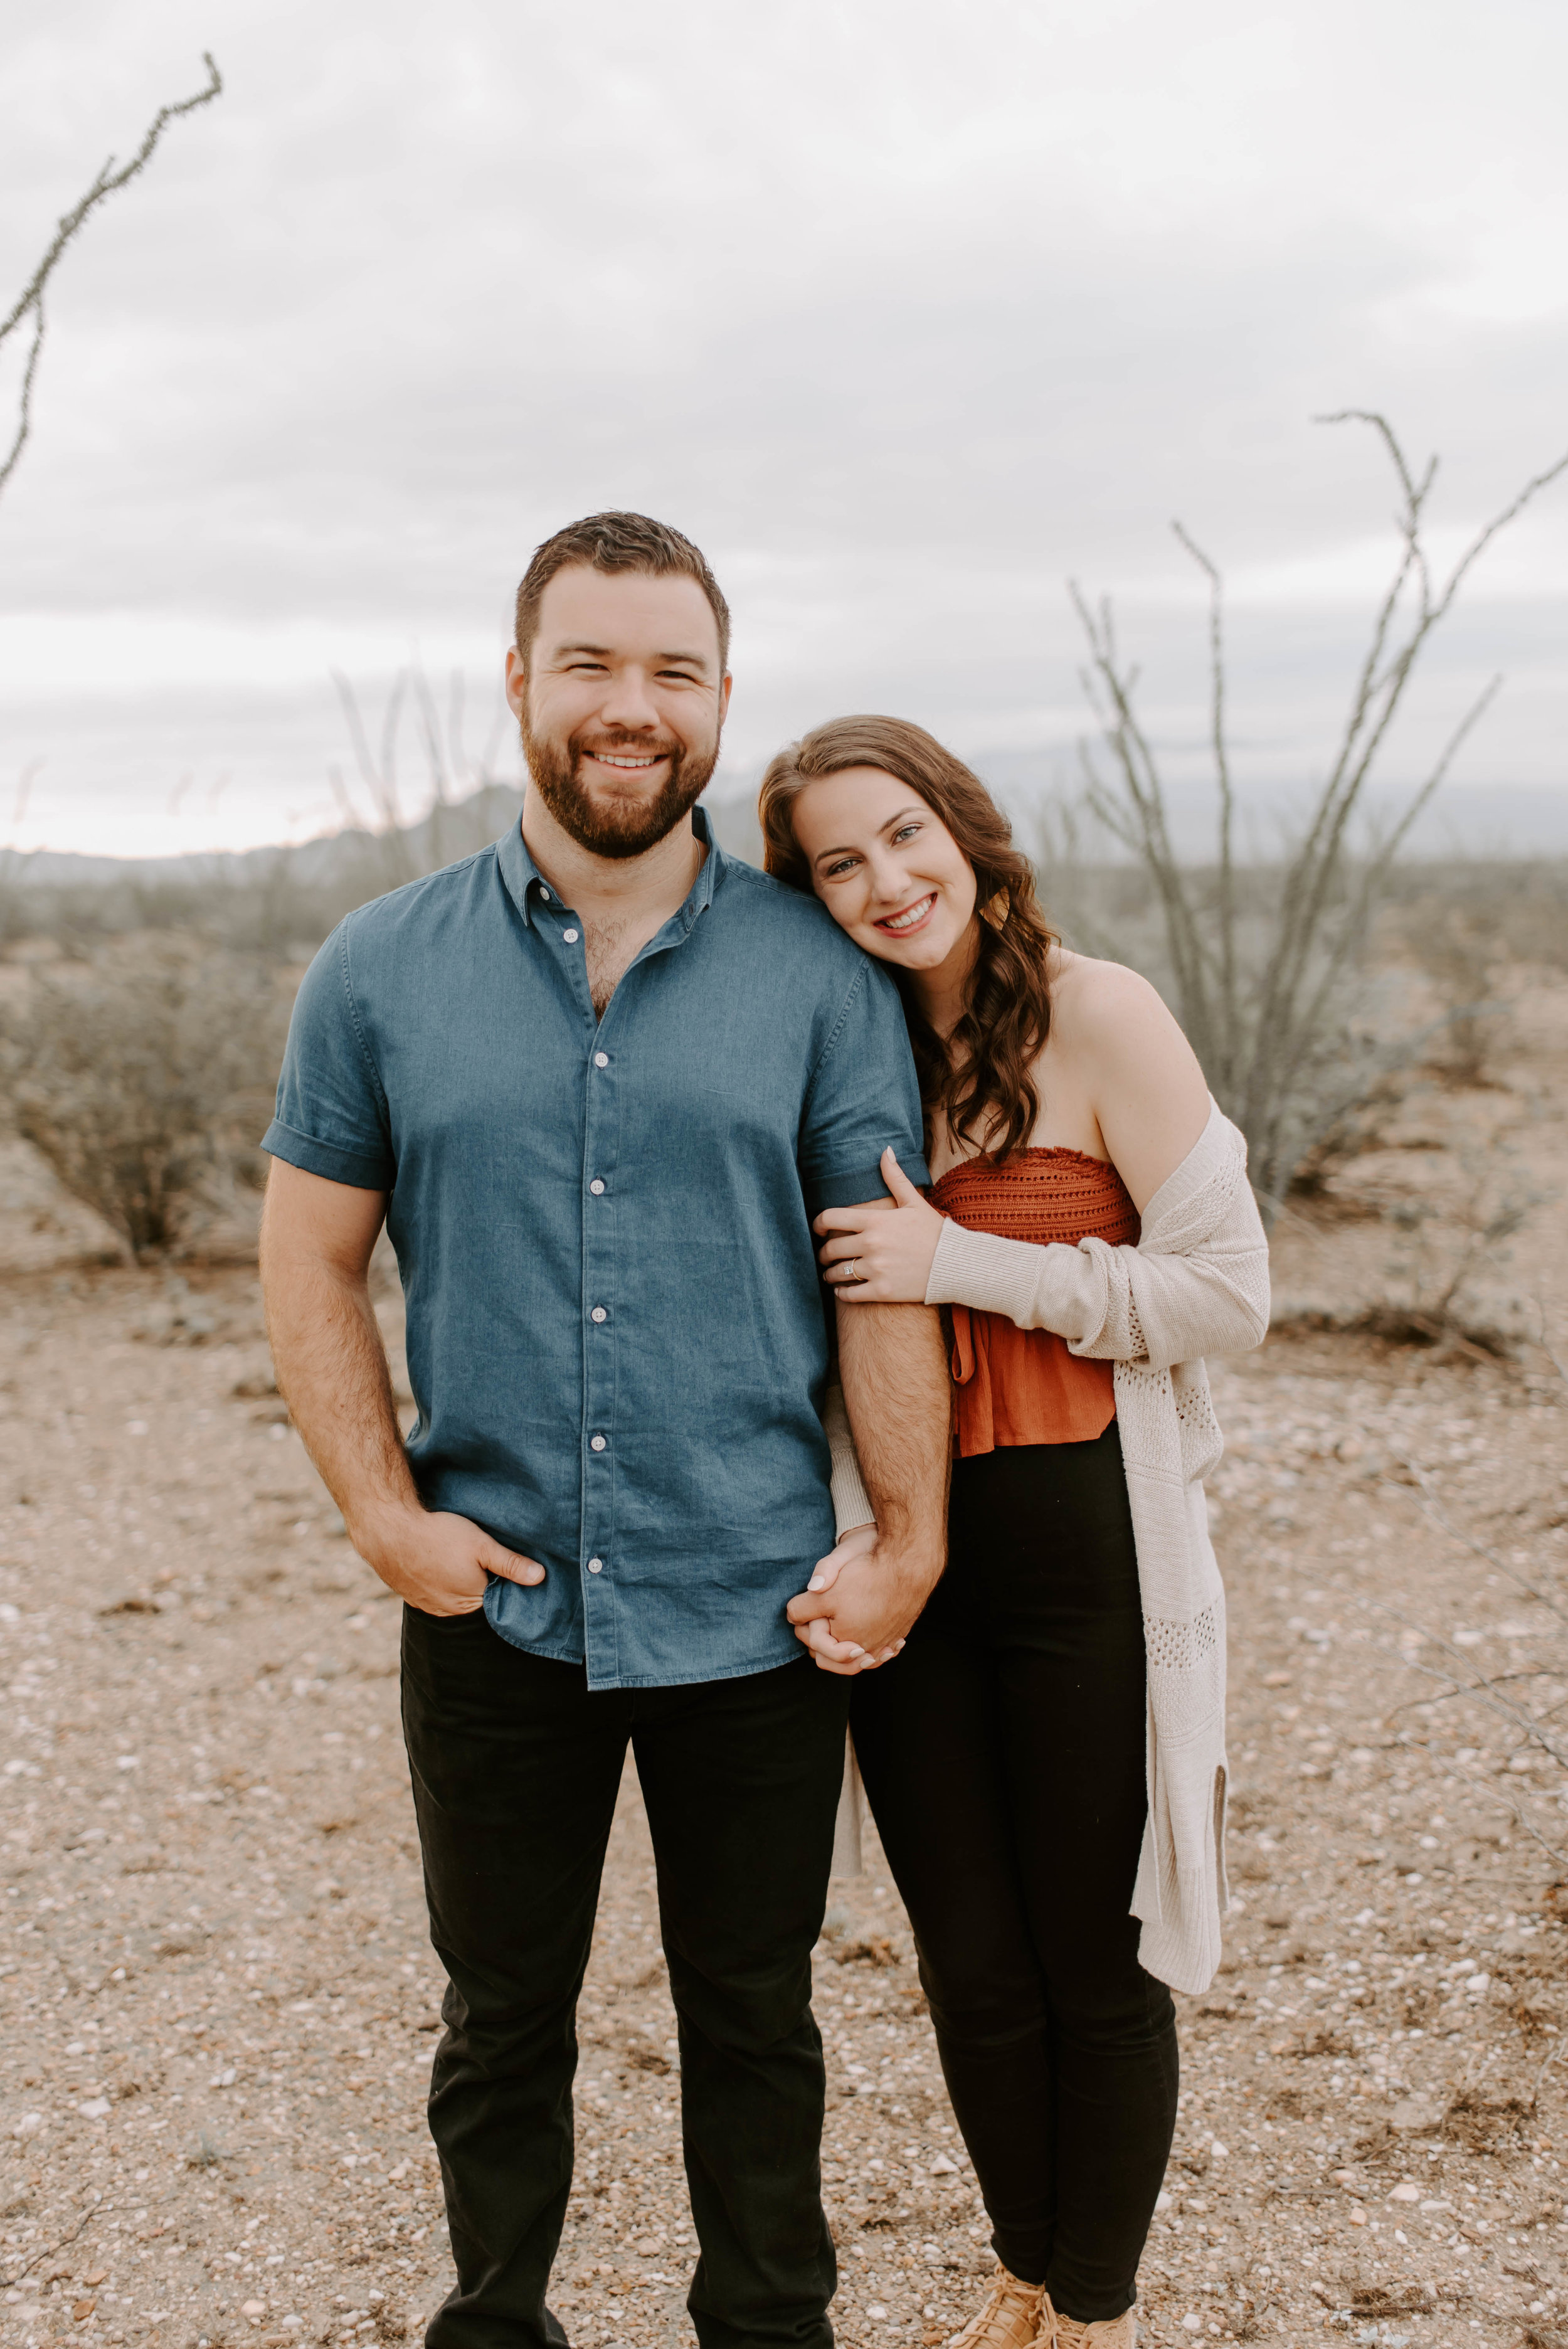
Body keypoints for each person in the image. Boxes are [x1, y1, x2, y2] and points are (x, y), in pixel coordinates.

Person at [257, 521, 953, 2349]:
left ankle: (766, 2326)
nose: (628, 709)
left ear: (720, 700)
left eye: (671, 670)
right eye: (589, 664)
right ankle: (497, 2318)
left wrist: (906, 1532)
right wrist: (382, 1517)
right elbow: (308, 1262)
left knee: (752, 2008)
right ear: (519, 681)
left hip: (751, 1598)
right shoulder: (378, 965)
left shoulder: (819, 975)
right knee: (500, 2011)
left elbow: (881, 1280)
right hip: (490, 1598)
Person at [766, 718, 1271, 2349]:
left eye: (903, 834)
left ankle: (1097, 2310)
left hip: (1090, 1565)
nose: (884, 880)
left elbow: (1228, 1292)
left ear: (968, 834)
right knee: (968, 1964)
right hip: (912, 1557)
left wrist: (961, 1264)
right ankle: (1025, 2268)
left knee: (1092, 1959)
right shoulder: (836, 1051)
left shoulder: (1097, 1012)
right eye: (835, 862)